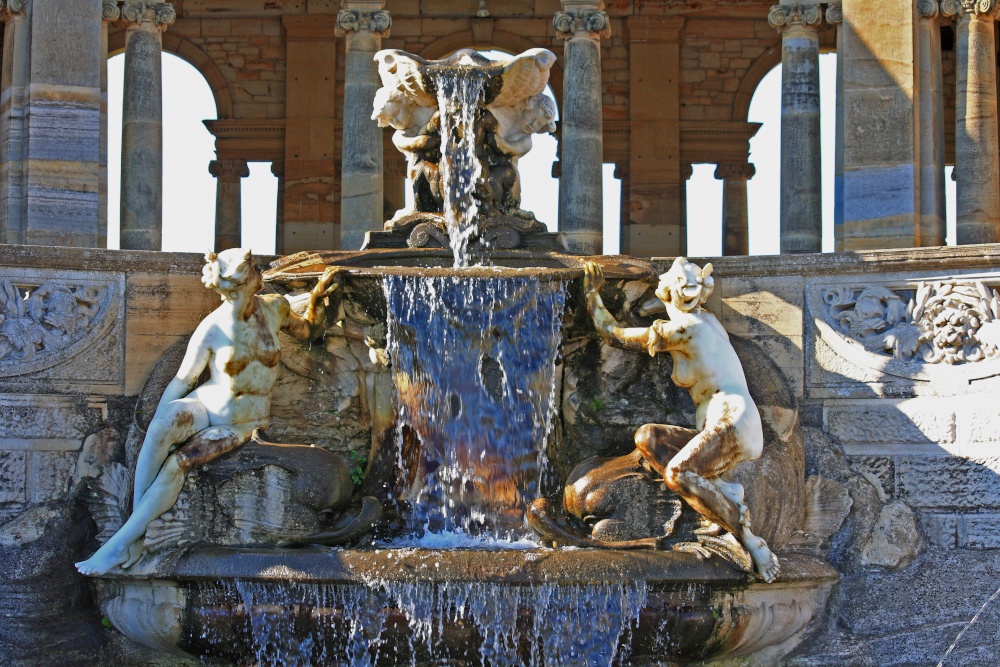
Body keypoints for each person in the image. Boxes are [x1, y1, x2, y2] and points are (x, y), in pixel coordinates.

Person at [76, 249, 341, 575]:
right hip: (206, 404)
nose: (262, 273)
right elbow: (182, 381)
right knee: (161, 429)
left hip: (243, 422)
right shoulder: (211, 328)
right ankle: (133, 533)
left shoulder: (275, 309)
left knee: (177, 464)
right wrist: (159, 420)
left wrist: (317, 299)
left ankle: (122, 542)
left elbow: (308, 331)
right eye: (256, 268)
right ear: (244, 280)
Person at [583, 258, 781, 583]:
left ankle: (749, 539)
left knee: (677, 473)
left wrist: (592, 295)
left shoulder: (684, 329)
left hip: (733, 421)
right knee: (649, 438)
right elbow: (658, 305)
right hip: (730, 420)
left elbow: (613, 334)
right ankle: (719, 492)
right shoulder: (706, 319)